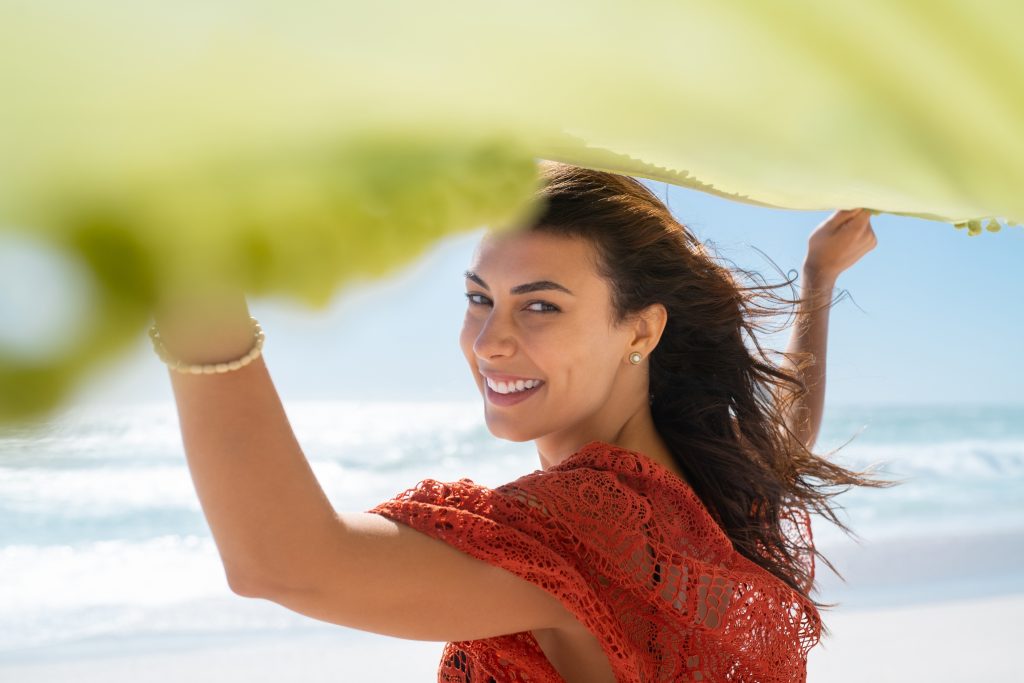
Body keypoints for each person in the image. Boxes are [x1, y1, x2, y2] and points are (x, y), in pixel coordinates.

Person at [150, 160, 885, 682]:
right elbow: (788, 435)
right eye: (479, 298)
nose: (490, 340)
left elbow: (284, 563)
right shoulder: (708, 490)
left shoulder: (589, 529)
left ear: (640, 330)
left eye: (540, 305)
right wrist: (818, 279)